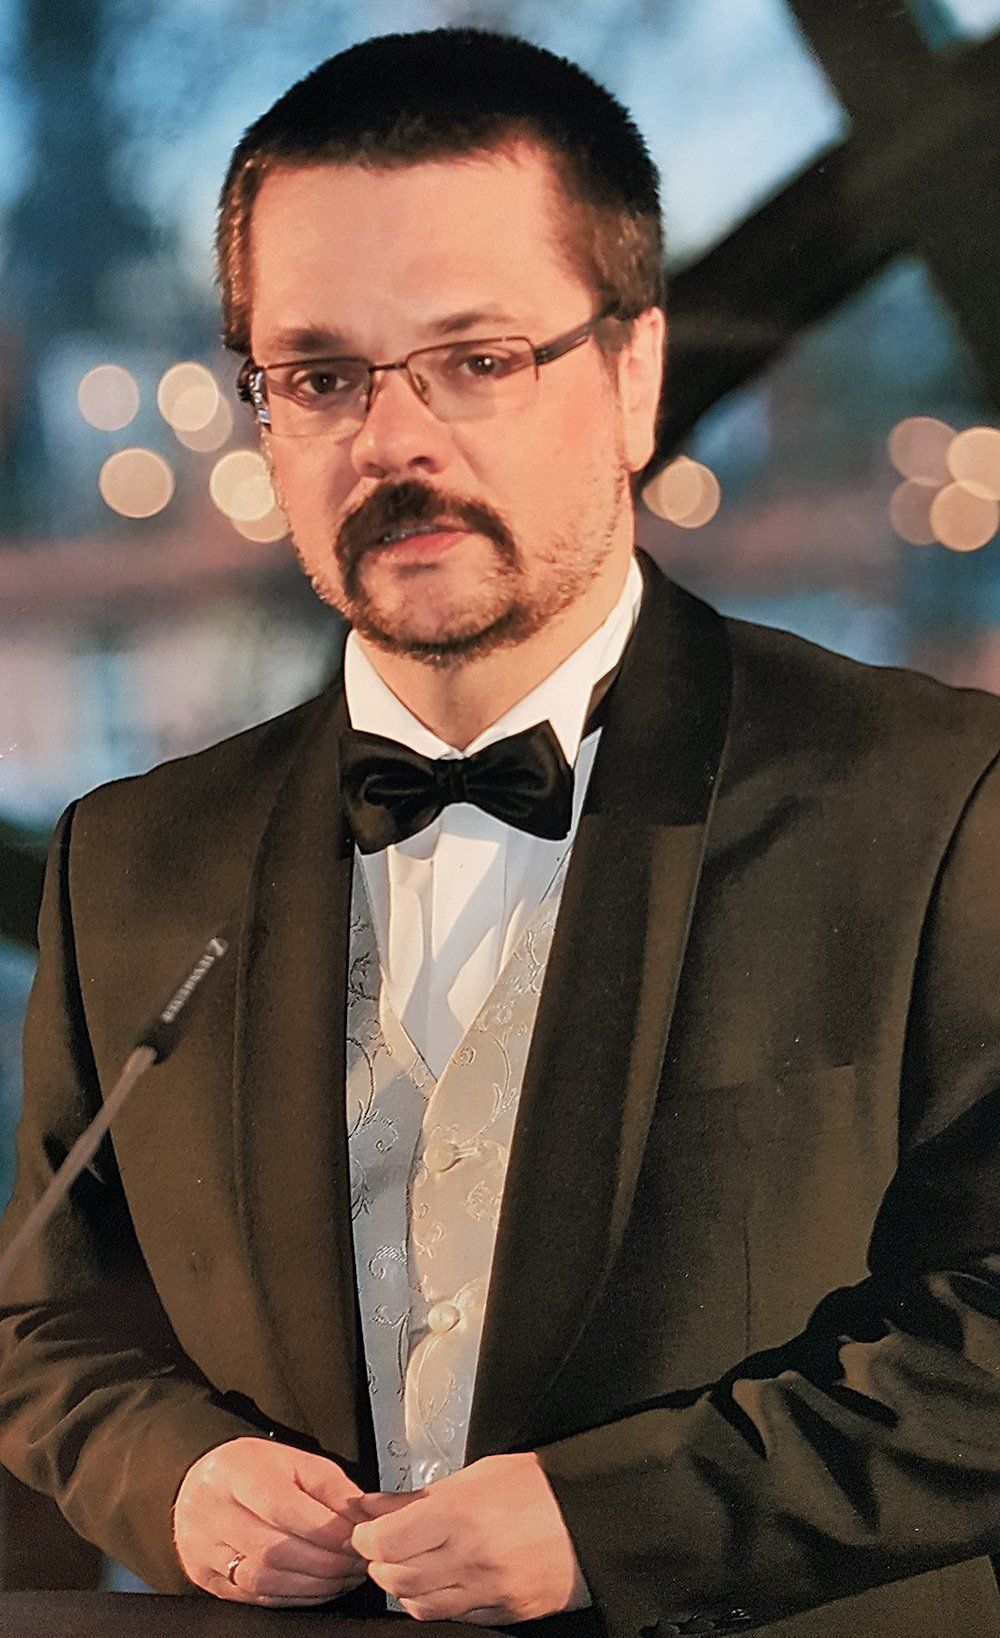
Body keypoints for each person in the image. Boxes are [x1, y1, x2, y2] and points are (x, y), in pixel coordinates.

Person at [1, 27, 999, 1638]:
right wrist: (171, 1476)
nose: (394, 441)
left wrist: (621, 1523)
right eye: (321, 375)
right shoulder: (127, 857)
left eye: (474, 360)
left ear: (634, 375)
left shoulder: (943, 795)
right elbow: (41, 1319)